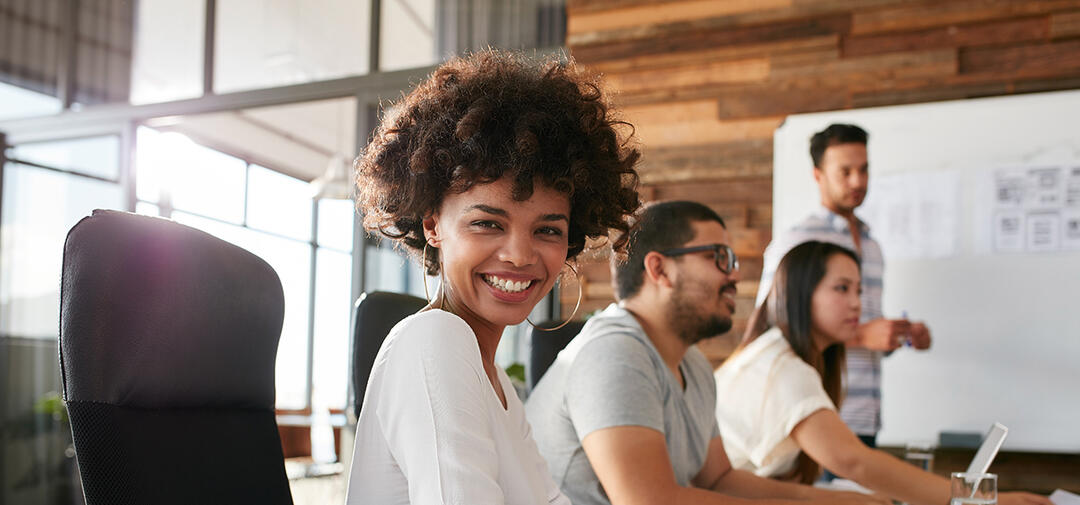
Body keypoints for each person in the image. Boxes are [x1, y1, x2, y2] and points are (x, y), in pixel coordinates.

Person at [344, 49, 641, 504]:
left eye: (547, 230)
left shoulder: (497, 383)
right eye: (487, 223)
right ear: (433, 225)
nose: (521, 256)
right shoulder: (434, 340)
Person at [525, 201, 886, 505]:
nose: (734, 275)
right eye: (719, 257)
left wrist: (840, 500)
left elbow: (719, 481)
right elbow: (652, 502)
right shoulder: (613, 353)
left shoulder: (692, 363)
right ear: (660, 269)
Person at [715, 241, 1051, 505]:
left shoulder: (782, 354)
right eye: (841, 288)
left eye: (858, 290)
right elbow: (854, 462)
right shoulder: (783, 368)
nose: (857, 304)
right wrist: (984, 498)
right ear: (802, 294)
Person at [756, 123, 930, 450]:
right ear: (818, 175)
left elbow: (854, 325)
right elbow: (771, 326)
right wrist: (863, 335)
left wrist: (897, 336)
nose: (858, 181)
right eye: (845, 171)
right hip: (815, 413)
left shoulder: (873, 247)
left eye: (864, 170)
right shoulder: (798, 241)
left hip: (866, 417)